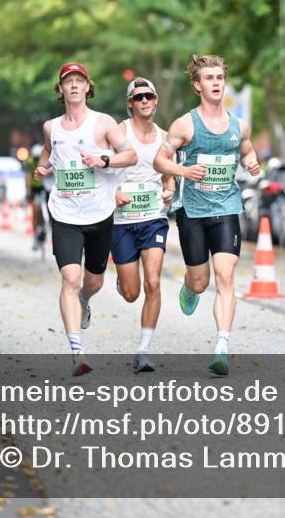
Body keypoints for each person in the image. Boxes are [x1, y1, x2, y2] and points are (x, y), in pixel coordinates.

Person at [154, 55, 260, 377]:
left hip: (227, 207)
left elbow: (247, 150)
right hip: (193, 212)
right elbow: (160, 161)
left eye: (220, 77)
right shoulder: (185, 125)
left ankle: (222, 347)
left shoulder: (238, 125)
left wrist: (252, 163)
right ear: (197, 85)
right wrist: (184, 170)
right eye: (209, 78)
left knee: (226, 277)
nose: (216, 83)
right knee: (201, 282)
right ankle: (190, 287)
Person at [33, 62, 137, 377]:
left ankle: (85, 301)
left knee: (92, 282)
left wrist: (103, 159)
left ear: (88, 87)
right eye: (68, 82)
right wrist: (42, 168)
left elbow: (130, 155)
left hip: (100, 213)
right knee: (70, 278)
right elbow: (48, 152)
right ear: (61, 89)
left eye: (80, 81)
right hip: (64, 213)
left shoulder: (104, 123)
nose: (74, 86)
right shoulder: (51, 127)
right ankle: (77, 351)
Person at [111, 78, 174, 373]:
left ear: (156, 100)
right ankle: (123, 282)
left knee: (153, 283)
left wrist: (169, 190)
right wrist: (115, 194)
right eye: (138, 97)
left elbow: (168, 176)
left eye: (149, 96)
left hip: (154, 218)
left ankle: (143, 351)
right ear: (130, 104)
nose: (144, 101)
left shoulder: (165, 138)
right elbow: (102, 171)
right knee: (132, 292)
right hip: (122, 220)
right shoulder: (119, 133)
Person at [25, 144, 50, 250]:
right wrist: (28, 191)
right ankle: (35, 236)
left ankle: (48, 228)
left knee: (50, 211)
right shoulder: (30, 161)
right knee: (35, 210)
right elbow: (28, 177)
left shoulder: (47, 159)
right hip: (34, 189)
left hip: (45, 187)